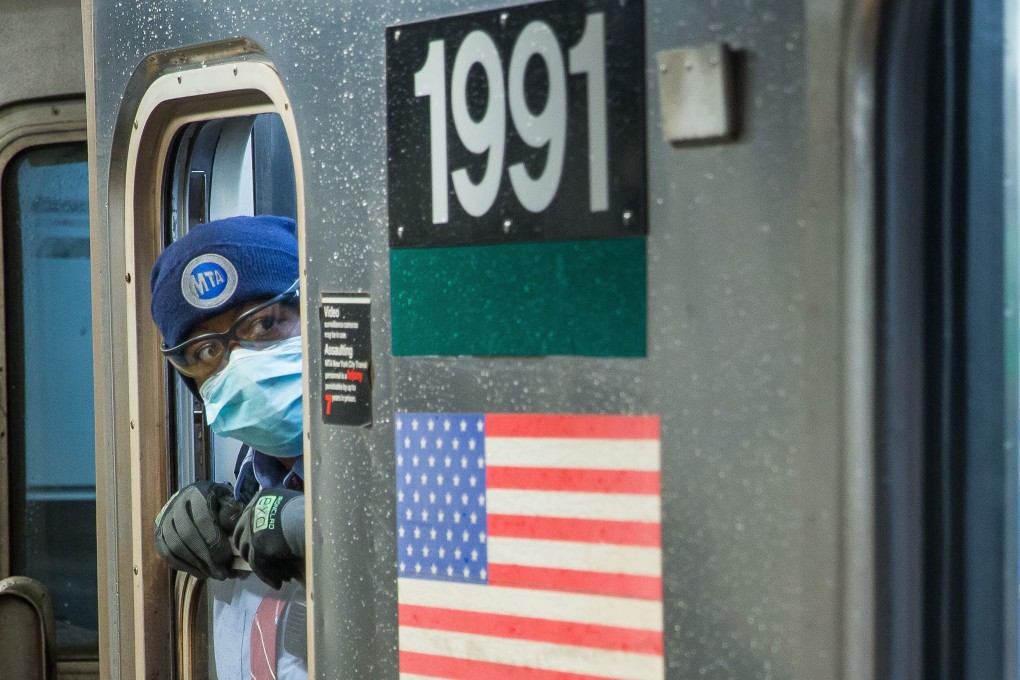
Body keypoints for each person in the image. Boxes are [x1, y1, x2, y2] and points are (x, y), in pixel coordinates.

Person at [148, 214, 307, 677]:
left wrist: (315, 525)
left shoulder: (398, 444)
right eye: (207, 351)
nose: (240, 365)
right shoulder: (249, 477)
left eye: (265, 324)